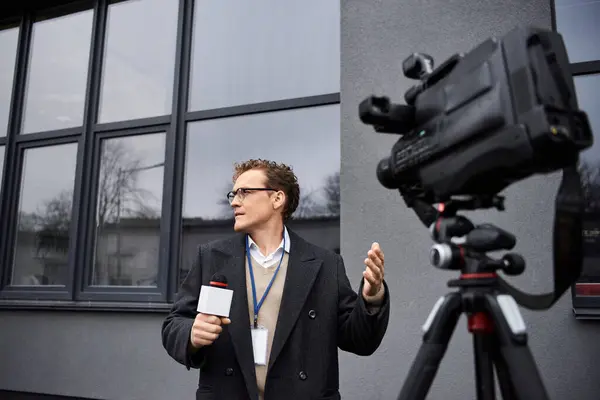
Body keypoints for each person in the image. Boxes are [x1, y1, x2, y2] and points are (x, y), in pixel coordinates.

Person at [162, 159, 390, 400]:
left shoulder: (325, 264)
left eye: (245, 192)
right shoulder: (212, 257)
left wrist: (372, 297)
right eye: (233, 194)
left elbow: (358, 339)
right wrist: (191, 334)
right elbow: (174, 323)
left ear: (277, 199)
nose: (234, 201)